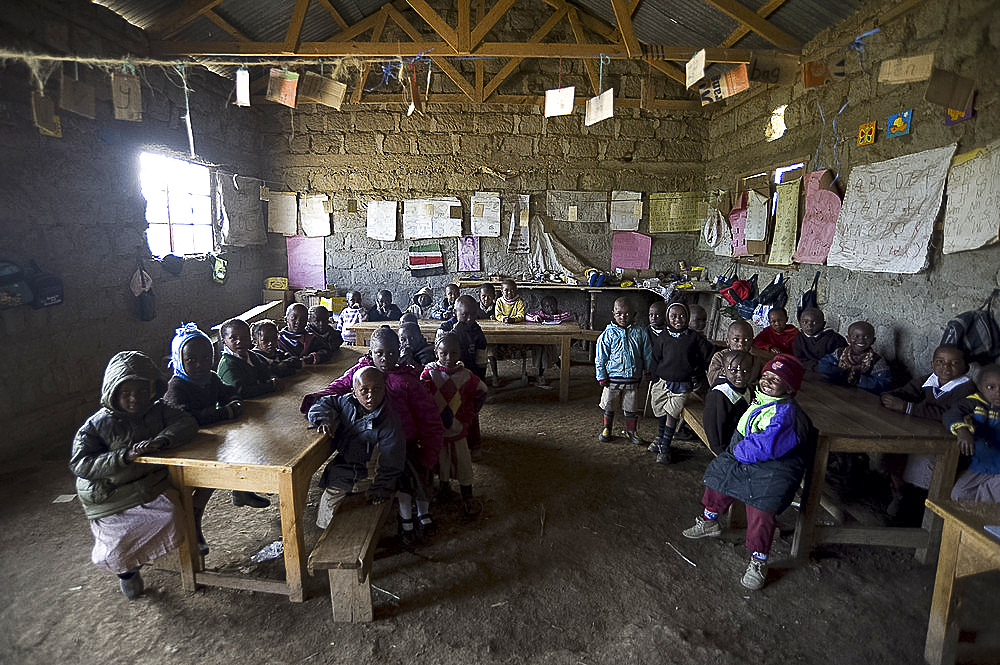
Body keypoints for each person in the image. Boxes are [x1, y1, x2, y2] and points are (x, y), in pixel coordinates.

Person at [70, 351, 198, 599]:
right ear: (112, 391)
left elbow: (186, 423)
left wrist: (162, 440)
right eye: (125, 393)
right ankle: (127, 572)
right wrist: (124, 456)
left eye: (141, 392)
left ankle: (135, 560)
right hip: (110, 492)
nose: (134, 399)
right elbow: (81, 464)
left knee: (171, 515)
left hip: (146, 484)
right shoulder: (97, 424)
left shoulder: (157, 410)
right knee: (115, 551)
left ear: (152, 389)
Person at [682, 354, 813, 591]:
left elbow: (767, 445)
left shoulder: (787, 414)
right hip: (750, 457)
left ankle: (758, 559)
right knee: (720, 474)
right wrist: (735, 453)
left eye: (776, 379)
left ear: (790, 388)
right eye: (766, 376)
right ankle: (710, 520)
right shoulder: (762, 399)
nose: (767, 381)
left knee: (760, 509)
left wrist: (738, 451)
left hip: (775, 468)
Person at [301, 328, 444, 544]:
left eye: (391, 353)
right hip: (368, 441)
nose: (385, 358)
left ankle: (414, 517)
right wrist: (317, 402)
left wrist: (430, 452)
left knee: (410, 476)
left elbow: (429, 419)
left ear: (399, 352)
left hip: (402, 442)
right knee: (360, 471)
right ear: (371, 352)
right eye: (379, 353)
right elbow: (338, 388)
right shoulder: (361, 373)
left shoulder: (408, 381)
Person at [163, 323, 270, 546]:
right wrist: (222, 413)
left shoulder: (209, 378)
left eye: (205, 357)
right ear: (179, 359)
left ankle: (241, 490)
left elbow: (229, 391)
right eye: (192, 360)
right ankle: (193, 529)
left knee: (243, 443)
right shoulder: (177, 387)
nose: (200, 364)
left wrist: (233, 403)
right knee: (204, 484)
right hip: (184, 450)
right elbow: (186, 418)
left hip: (207, 441)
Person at [306, 366, 407, 528]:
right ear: (354, 392)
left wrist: (381, 489)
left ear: (384, 390)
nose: (370, 396)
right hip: (347, 466)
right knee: (328, 508)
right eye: (364, 390)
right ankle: (328, 533)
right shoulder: (347, 402)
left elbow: (392, 463)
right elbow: (324, 402)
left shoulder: (389, 423)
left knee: (335, 505)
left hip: (368, 474)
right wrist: (324, 419)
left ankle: (334, 534)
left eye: (376, 389)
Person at [880, 345, 975, 516]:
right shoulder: (929, 380)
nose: (945, 367)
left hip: (949, 444)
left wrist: (907, 407)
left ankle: (915, 510)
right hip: (922, 435)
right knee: (892, 451)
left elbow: (948, 414)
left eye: (954, 363)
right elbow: (907, 392)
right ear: (932, 365)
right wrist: (888, 397)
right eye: (940, 362)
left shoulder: (966, 388)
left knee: (921, 467)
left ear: (965, 368)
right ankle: (898, 492)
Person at [421, 333, 488, 516]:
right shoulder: (429, 374)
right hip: (437, 430)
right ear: (436, 352)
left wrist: (470, 415)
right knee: (442, 460)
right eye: (444, 353)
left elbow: (482, 391)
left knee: (463, 462)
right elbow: (421, 394)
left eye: (454, 353)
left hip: (458, 429)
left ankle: (467, 495)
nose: (449, 358)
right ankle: (444, 489)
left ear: (461, 353)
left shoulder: (466, 376)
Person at [647, 302, 714, 464]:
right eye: (673, 316)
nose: (678, 319)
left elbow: (708, 354)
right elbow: (655, 358)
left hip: (682, 385)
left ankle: (665, 446)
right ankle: (661, 439)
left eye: (682, 316)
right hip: (662, 382)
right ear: (667, 318)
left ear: (688, 318)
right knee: (661, 411)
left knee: (672, 413)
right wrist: (653, 377)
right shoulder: (663, 337)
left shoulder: (694, 337)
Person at [595, 297, 653, 444]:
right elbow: (600, 357)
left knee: (631, 407)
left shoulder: (640, 333)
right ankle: (607, 428)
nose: (623, 317)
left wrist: (648, 370)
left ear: (633, 314)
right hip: (612, 379)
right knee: (610, 404)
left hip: (633, 377)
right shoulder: (607, 334)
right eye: (619, 313)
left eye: (627, 314)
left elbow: (647, 353)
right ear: (613, 313)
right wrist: (601, 376)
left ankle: (631, 432)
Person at [942, 364, 1000, 502]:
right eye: (991, 387)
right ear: (980, 388)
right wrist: (962, 430)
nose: (998, 392)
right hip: (977, 466)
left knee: (992, 497)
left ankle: (983, 522)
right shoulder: (974, 403)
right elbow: (951, 414)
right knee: (959, 494)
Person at [816, 320, 892, 393]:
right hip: (837, 391)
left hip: (861, 397)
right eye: (856, 336)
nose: (861, 340)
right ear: (848, 339)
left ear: (873, 340)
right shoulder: (840, 353)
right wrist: (840, 372)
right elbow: (823, 364)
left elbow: (884, 384)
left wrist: (859, 379)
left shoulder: (876, 361)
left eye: (866, 337)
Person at [703, 350, 752, 456]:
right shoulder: (719, 395)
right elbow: (715, 430)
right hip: (726, 449)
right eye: (733, 370)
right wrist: (723, 454)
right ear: (724, 371)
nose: (740, 375)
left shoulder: (749, 390)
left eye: (745, 371)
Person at [217, 318, 279, 399]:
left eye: (244, 337)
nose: (239, 341)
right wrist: (270, 386)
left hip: (258, 401)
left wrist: (273, 379)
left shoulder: (250, 355)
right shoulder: (227, 365)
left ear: (250, 338)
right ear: (224, 341)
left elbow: (265, 372)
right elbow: (241, 392)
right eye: (233, 338)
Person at [525, 295, 573, 386]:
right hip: (540, 340)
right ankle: (540, 375)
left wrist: (554, 318)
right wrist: (536, 319)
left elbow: (569, 316)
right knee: (543, 352)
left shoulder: (559, 313)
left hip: (554, 340)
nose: (550, 308)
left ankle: (564, 372)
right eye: (546, 306)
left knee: (551, 353)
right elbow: (527, 316)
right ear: (542, 307)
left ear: (557, 305)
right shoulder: (540, 314)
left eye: (552, 306)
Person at [437, 295, 488, 380]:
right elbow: (439, 354)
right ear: (455, 312)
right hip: (445, 374)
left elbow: (481, 361)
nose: (469, 319)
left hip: (469, 374)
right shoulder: (444, 329)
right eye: (464, 314)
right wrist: (454, 332)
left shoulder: (477, 331)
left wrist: (479, 380)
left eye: (473, 314)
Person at [707, 320, 764, 387]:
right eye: (736, 340)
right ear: (728, 341)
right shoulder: (720, 357)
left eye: (746, 340)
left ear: (752, 341)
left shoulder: (755, 359)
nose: (741, 344)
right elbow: (712, 380)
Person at [792, 307, 847, 372]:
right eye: (805, 322)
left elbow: (842, 359)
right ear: (800, 323)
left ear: (823, 324)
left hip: (828, 372)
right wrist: (814, 367)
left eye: (814, 322)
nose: (809, 326)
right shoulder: (799, 338)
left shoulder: (834, 339)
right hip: (807, 371)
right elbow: (799, 358)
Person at [477, 284, 500, 386]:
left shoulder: (497, 307)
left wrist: (497, 317)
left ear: (494, 296)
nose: (486, 299)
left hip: (493, 337)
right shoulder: (475, 307)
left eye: (489, 296)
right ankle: (479, 377)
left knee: (491, 352)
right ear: (479, 296)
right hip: (478, 337)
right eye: (483, 296)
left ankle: (495, 376)